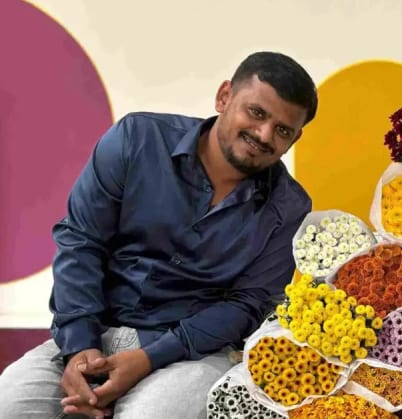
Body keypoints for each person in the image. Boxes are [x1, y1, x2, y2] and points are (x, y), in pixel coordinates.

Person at [0, 51, 317, 419]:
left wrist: (150, 357)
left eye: (282, 130)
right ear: (224, 96)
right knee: (9, 405)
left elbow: (246, 305)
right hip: (94, 332)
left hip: (191, 354)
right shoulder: (137, 139)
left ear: (294, 139)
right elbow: (82, 241)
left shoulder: (289, 209)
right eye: (257, 113)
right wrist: (79, 349)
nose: (264, 135)